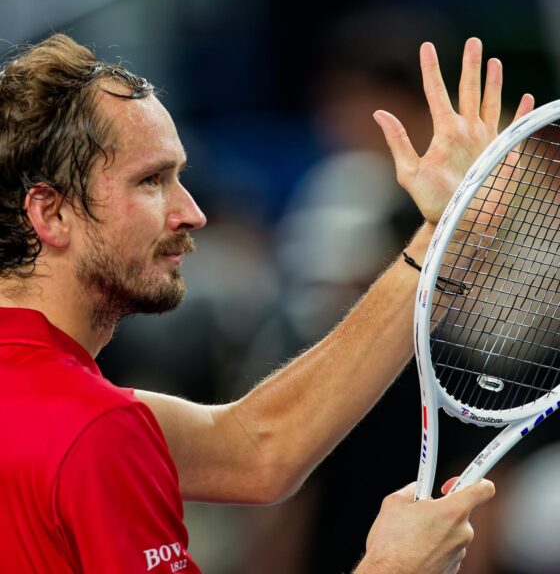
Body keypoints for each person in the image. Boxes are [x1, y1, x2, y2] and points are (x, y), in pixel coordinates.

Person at [0, 33, 532, 573]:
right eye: (152, 181)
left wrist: (441, 235)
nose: (192, 211)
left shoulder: (66, 412)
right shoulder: (94, 431)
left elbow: (256, 451)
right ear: (50, 213)